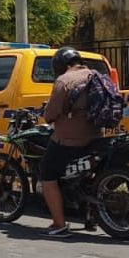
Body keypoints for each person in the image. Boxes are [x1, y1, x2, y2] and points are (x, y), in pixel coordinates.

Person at [41, 47, 99, 237]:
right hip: (96, 136)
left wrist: (45, 116)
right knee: (89, 174)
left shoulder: (64, 80)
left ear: (62, 65)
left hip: (70, 139)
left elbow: (50, 114)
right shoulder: (95, 75)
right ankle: (91, 217)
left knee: (47, 173)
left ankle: (59, 224)